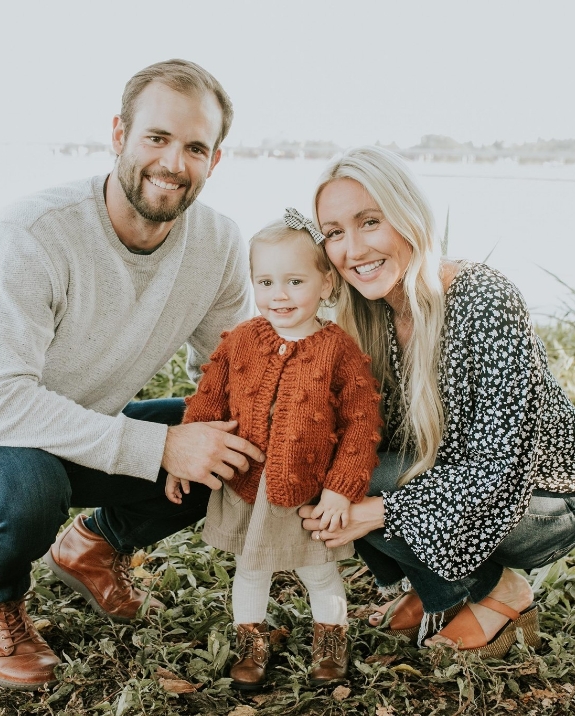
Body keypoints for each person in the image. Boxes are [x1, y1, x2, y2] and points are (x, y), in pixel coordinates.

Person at [0, 59, 266, 691]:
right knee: (32, 485)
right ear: (119, 134)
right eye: (157, 138)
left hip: (79, 433)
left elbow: (231, 373)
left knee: (235, 437)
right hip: (8, 437)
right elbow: (7, 401)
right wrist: (163, 446)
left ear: (215, 160)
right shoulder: (34, 236)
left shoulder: (219, 244)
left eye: (195, 147)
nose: (174, 162)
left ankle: (94, 545)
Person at [300, 145, 575, 658]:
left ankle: (496, 592)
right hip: (455, 481)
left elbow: (498, 475)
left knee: (364, 490)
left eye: (369, 222)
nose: (353, 249)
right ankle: (433, 589)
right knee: (322, 459)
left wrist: (381, 512)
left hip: (541, 501)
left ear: (407, 217)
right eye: (334, 232)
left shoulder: (484, 301)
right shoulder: (373, 313)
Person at [166, 210, 381, 689]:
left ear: (326, 284)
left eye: (294, 280)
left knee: (319, 571)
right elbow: (208, 400)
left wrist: (342, 490)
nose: (278, 295)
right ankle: (252, 644)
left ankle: (330, 642)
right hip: (248, 486)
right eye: (265, 281)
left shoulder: (338, 350)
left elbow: (361, 425)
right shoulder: (241, 340)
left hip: (308, 489)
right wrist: (184, 457)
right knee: (250, 568)